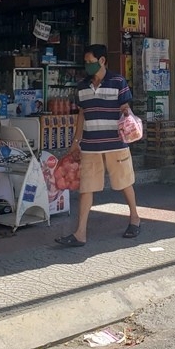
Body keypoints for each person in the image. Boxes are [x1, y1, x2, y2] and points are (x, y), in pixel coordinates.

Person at [55, 44, 140, 247]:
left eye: (90, 62)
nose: (87, 66)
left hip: (116, 143)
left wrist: (128, 117)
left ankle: (135, 218)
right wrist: (76, 142)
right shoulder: (82, 86)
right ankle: (80, 233)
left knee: (124, 182)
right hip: (91, 144)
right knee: (87, 188)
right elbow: (82, 115)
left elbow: (125, 108)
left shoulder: (118, 81)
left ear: (102, 61)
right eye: (85, 62)